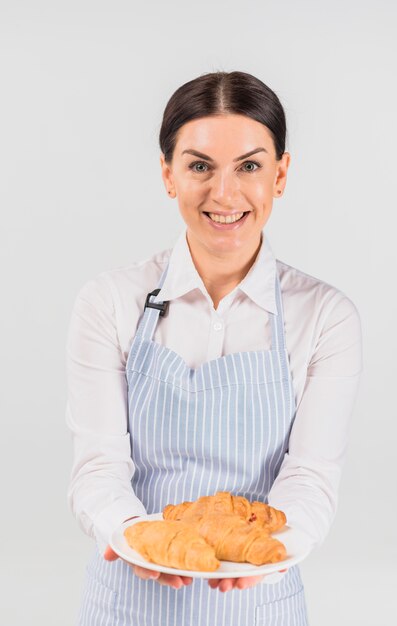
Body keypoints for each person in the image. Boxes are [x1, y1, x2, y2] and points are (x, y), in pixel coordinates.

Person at [66, 70, 362, 626]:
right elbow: (99, 465)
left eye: (249, 165)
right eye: (200, 165)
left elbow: (309, 475)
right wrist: (136, 537)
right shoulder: (109, 302)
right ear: (168, 174)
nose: (224, 194)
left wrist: (266, 557)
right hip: (127, 601)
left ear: (281, 174)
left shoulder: (325, 316)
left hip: (261, 605)